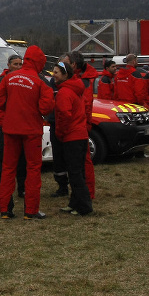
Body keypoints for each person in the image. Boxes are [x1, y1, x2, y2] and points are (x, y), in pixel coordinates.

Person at [0, 45, 55, 220]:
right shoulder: (41, 81)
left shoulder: (8, 78)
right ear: (40, 62)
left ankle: (5, 209)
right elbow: (46, 107)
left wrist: (5, 122)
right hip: (31, 131)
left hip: (10, 131)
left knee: (8, 168)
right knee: (33, 169)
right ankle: (31, 210)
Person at [51, 61, 93, 216]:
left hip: (71, 137)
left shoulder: (64, 93)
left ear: (65, 75)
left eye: (56, 72)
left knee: (75, 174)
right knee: (78, 172)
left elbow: (64, 116)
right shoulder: (75, 90)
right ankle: (74, 203)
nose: (53, 75)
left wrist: (60, 133)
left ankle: (84, 206)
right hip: (80, 135)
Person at [0, 54, 26, 204]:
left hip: (21, 126)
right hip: (7, 127)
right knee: (3, 159)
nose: (18, 67)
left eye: (20, 64)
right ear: (9, 65)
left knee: (23, 160)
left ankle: (22, 188)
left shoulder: (23, 80)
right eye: (15, 64)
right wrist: (4, 122)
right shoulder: (1, 81)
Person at [61, 52, 96, 200]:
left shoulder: (83, 81)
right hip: (79, 125)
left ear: (73, 65)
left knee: (83, 162)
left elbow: (86, 105)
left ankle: (87, 193)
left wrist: (86, 125)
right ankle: (81, 192)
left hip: (79, 127)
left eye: (65, 63)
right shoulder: (77, 80)